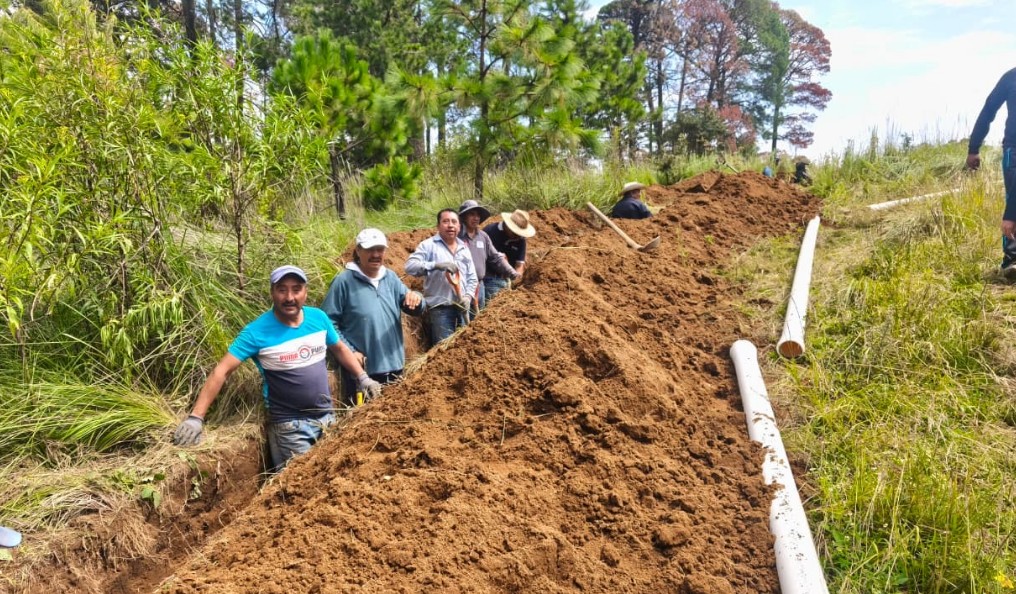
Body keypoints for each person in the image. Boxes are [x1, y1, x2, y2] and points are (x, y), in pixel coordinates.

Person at [172, 265, 381, 472]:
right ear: (272, 293)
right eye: (282, 290)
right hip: (291, 430)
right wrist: (196, 418)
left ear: (305, 292)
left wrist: (363, 377)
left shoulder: (318, 318)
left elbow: (340, 348)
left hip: (327, 418)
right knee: (299, 484)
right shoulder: (256, 332)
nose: (289, 297)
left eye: (296, 289)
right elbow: (222, 371)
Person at [321, 228, 424, 406]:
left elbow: (414, 305)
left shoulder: (390, 278)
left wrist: (417, 298)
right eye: (370, 249)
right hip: (362, 373)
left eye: (380, 249)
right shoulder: (344, 282)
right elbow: (327, 322)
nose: (376, 254)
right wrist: (350, 350)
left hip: (395, 367)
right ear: (358, 251)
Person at [966, 66, 1016, 275]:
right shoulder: (1011, 77)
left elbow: (988, 110)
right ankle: (1012, 260)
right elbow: (989, 110)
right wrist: (974, 147)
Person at [405, 209, 478, 344]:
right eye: (445, 221)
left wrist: (468, 296)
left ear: (459, 226)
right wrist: (436, 265)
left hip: (462, 308)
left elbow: (472, 277)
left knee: (465, 346)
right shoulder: (428, 245)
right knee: (443, 349)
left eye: (454, 222)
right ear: (438, 226)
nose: (450, 225)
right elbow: (410, 266)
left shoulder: (464, 248)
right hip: (440, 310)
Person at [457, 200, 520, 317]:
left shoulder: (483, 237)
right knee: (461, 320)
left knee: (476, 321)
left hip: (479, 286)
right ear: (464, 217)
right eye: (472, 214)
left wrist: (513, 273)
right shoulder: (456, 236)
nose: (476, 218)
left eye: (478, 215)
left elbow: (495, 258)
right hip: (460, 287)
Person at [483, 209, 536, 301]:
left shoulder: (520, 240)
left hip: (508, 278)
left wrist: (516, 281)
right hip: (488, 276)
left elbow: (519, 265)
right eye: (515, 232)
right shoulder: (490, 231)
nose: (517, 236)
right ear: (508, 225)